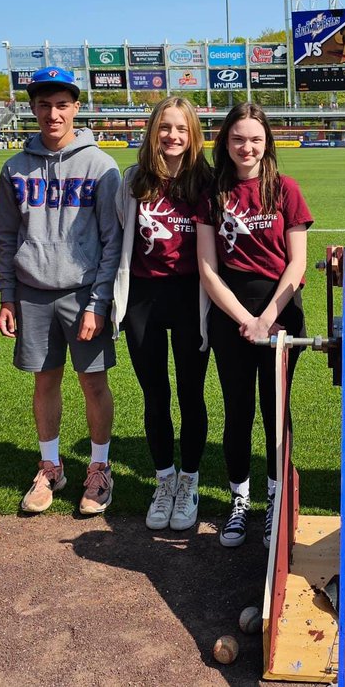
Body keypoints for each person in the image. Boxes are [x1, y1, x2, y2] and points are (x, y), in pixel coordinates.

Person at [0, 67, 122, 516]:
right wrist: (7, 296)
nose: (53, 113)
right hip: (31, 293)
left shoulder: (100, 165)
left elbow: (113, 241)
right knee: (44, 381)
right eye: (44, 105)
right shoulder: (14, 168)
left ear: (75, 108)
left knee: (94, 383)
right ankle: (50, 467)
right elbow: (7, 237)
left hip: (83, 292)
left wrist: (99, 302)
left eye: (62, 105)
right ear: (33, 109)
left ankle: (100, 469)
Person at [196, 103, 312, 548]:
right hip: (232, 316)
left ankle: (276, 499)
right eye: (238, 138)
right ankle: (239, 502)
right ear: (225, 142)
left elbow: (297, 262)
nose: (247, 147)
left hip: (281, 312)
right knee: (238, 410)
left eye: (255, 138)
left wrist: (267, 318)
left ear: (267, 142)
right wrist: (246, 320)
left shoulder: (285, 189)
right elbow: (208, 271)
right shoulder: (213, 195)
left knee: (276, 412)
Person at [113, 97, 212, 531]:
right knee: (155, 392)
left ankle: (189, 480)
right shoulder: (133, 179)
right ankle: (164, 479)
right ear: (153, 131)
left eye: (182, 129)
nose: (173, 136)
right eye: (165, 128)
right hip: (143, 297)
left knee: (191, 392)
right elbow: (119, 235)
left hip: (192, 296)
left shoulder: (207, 181)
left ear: (193, 135)